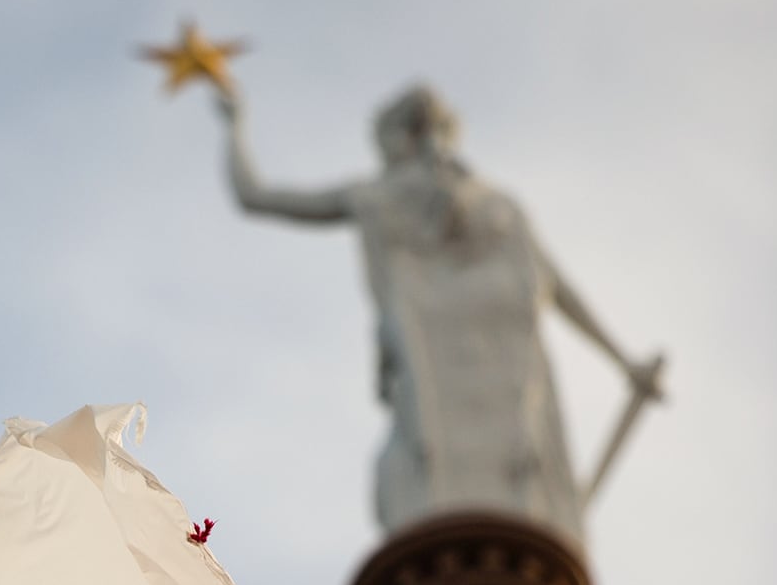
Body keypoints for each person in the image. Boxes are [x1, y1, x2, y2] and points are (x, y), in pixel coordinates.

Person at [216, 84, 663, 541]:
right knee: (448, 483)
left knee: (488, 486)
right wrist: (622, 361)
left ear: (409, 134)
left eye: (385, 137)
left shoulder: (422, 201)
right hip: (448, 385)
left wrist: (235, 126)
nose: (381, 151)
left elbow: (254, 196)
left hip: (495, 389)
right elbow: (556, 285)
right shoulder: (471, 203)